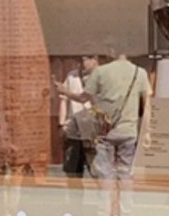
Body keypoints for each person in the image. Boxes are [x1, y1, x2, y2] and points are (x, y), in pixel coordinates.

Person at [80, 46, 152, 182]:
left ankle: (107, 195)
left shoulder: (100, 71)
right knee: (125, 172)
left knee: (104, 173)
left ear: (111, 51)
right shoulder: (140, 72)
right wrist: (147, 132)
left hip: (105, 130)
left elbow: (84, 98)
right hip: (129, 129)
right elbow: (147, 105)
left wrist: (65, 92)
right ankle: (125, 195)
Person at [53, 55, 97, 176]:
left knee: (96, 170)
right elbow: (63, 100)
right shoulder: (72, 76)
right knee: (72, 170)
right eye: (79, 60)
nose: (82, 63)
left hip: (93, 130)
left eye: (85, 60)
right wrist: (61, 124)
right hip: (73, 129)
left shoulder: (100, 76)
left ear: (94, 59)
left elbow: (84, 98)